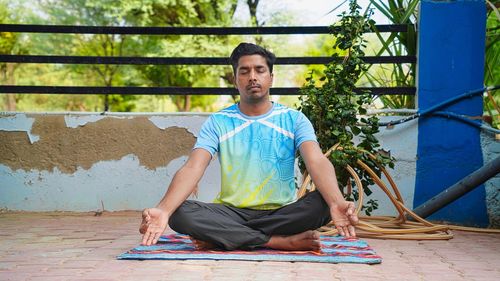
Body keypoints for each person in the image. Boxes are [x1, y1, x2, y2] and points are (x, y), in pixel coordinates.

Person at [139, 42, 358, 251]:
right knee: (179, 213)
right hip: (231, 213)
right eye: (244, 71)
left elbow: (316, 160)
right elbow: (193, 167)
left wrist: (337, 201)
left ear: (271, 78)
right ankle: (275, 242)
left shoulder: (294, 119)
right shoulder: (219, 121)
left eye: (260, 70)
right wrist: (163, 209)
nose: (252, 77)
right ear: (235, 80)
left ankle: (225, 238)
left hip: (281, 213)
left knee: (322, 203)